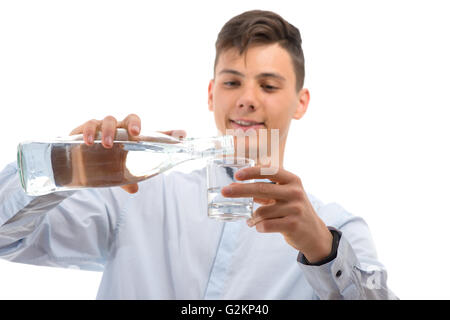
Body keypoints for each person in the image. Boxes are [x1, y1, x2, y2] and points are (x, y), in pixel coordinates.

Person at [0, 10, 397, 299]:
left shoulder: (336, 228)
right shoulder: (134, 197)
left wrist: (324, 252)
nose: (246, 100)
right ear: (211, 94)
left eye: (269, 86)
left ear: (301, 102)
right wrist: (62, 168)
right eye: (232, 82)